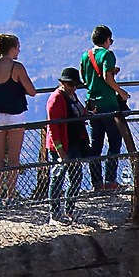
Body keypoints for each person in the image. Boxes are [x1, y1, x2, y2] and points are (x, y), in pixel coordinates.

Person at [0, 33, 37, 203]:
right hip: (15, 115)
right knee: (13, 159)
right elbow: (32, 91)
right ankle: (10, 196)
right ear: (12, 48)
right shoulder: (17, 67)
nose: (19, 50)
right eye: (18, 47)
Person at [78, 26, 130, 191]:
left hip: (92, 105)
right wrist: (120, 91)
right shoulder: (108, 54)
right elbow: (107, 77)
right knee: (114, 142)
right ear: (107, 39)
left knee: (96, 144)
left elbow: (84, 78)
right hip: (109, 104)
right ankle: (110, 180)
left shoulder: (86, 55)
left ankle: (97, 183)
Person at [44, 67, 89, 222]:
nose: (74, 87)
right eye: (71, 84)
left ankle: (69, 211)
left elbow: (80, 112)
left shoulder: (73, 96)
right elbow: (53, 128)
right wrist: (60, 151)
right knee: (58, 178)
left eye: (76, 84)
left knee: (76, 177)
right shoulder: (56, 99)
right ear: (62, 83)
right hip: (62, 145)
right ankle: (54, 215)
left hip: (75, 142)